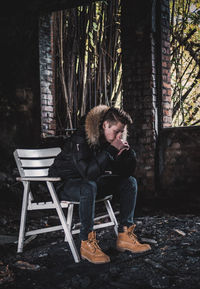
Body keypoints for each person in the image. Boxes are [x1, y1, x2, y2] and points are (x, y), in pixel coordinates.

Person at [49, 105, 151, 264]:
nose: (119, 136)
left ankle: (124, 235)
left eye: (121, 132)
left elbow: (124, 173)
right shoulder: (81, 137)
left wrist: (128, 155)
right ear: (105, 125)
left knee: (129, 183)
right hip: (64, 184)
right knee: (89, 185)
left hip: (90, 182)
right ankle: (86, 243)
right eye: (116, 131)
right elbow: (88, 173)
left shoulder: (108, 140)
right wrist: (111, 151)